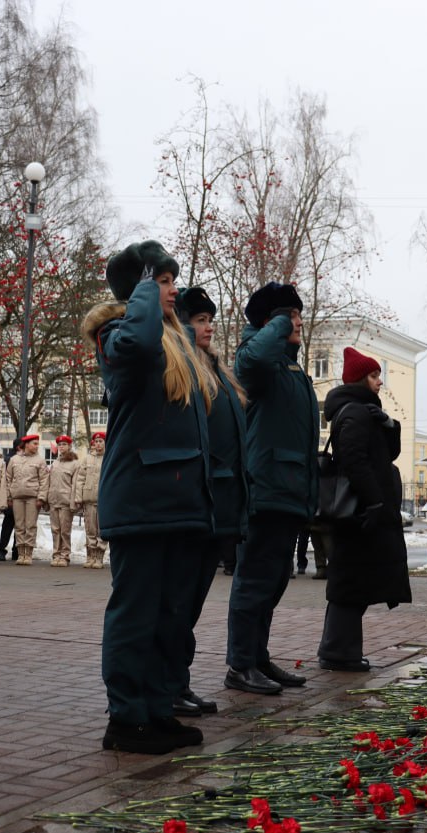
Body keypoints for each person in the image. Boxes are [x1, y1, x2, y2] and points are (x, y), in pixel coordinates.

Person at [82, 239, 213, 754]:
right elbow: (136, 345)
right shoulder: (120, 334)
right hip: (140, 502)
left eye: (169, 279)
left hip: (178, 504)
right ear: (137, 287)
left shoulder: (176, 342)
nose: (173, 288)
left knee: (170, 617)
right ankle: (126, 718)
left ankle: (157, 710)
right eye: (162, 280)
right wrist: (141, 287)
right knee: (136, 615)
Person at [225, 282, 318, 695]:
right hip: (265, 489)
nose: (298, 322)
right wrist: (279, 321)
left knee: (276, 579)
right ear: (270, 322)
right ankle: (240, 664)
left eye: (297, 315)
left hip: (289, 490)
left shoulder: (291, 368)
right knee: (254, 580)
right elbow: (253, 358)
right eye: (290, 316)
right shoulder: (258, 361)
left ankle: (258, 657)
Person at [316, 347, 412, 671]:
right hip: (358, 513)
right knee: (350, 585)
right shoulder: (355, 412)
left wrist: (390, 424)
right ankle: (339, 653)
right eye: (373, 375)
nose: (380, 382)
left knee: (351, 583)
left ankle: (339, 650)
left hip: (359, 512)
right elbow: (355, 461)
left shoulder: (362, 411)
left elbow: (388, 454)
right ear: (359, 379)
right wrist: (374, 500)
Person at [177, 286, 248, 717]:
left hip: (219, 498)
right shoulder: (184, 367)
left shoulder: (215, 368)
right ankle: (170, 683)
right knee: (181, 600)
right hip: (198, 497)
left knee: (193, 597)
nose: (208, 327)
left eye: (209, 320)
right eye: (200, 319)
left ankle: (176, 681)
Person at [5, 434, 47, 566]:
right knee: (19, 526)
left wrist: (41, 498)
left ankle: (28, 554)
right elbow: (8, 479)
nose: (36, 446)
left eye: (37, 444)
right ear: (26, 444)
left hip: (32, 497)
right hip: (17, 496)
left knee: (30, 525)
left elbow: (44, 480)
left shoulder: (40, 460)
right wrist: (8, 496)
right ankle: (20, 553)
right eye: (34, 443)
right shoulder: (14, 459)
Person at [72, 431, 105, 568]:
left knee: (101, 530)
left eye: (100, 441)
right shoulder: (87, 459)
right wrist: (79, 497)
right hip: (89, 498)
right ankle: (90, 556)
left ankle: (99, 558)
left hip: (104, 500)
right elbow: (80, 479)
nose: (98, 444)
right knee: (90, 529)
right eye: (96, 442)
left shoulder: (108, 458)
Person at [45, 435, 79, 567]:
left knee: (65, 530)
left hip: (65, 500)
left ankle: (65, 556)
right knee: (55, 529)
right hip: (54, 500)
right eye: (59, 445)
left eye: (64, 444)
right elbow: (49, 481)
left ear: (69, 446)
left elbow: (75, 484)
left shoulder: (75, 464)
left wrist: (74, 502)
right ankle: (56, 554)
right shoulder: (55, 462)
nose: (61, 447)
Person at [0, 437, 22, 562]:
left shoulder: (13, 458)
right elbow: (6, 480)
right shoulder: (9, 459)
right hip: (12, 497)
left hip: (18, 496)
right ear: (19, 447)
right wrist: (7, 498)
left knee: (17, 526)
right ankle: (5, 551)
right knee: (10, 525)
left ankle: (11, 551)